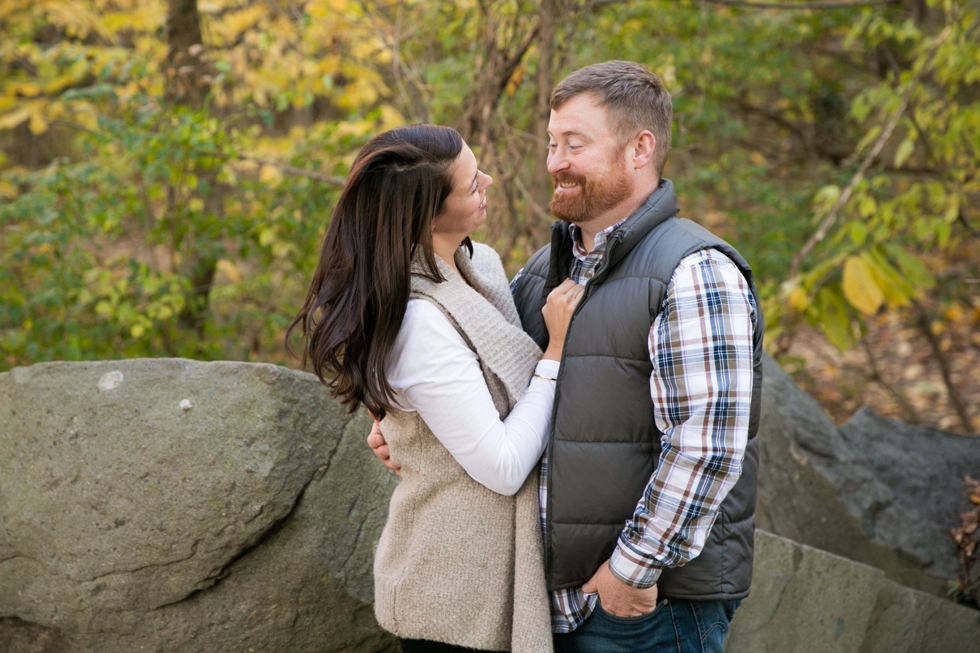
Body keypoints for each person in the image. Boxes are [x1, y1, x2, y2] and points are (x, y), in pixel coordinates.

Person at [369, 61, 764, 652]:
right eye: (553, 143)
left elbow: (706, 444)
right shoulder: (538, 272)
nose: (554, 161)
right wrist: (409, 429)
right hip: (550, 606)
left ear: (640, 149)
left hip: (642, 611)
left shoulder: (694, 271)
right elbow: (488, 396)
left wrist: (629, 573)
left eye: (574, 144)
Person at [287, 124, 583, 653]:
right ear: (426, 213)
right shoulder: (420, 320)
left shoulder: (478, 270)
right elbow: (503, 465)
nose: (488, 181)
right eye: (472, 185)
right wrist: (555, 353)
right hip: (452, 597)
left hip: (487, 581)